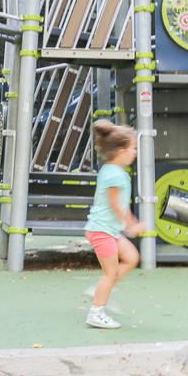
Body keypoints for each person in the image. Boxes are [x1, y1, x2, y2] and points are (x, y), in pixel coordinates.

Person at [82, 119, 142, 329]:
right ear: (120, 150)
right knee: (110, 273)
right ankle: (96, 313)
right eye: (133, 148)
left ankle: (100, 289)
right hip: (101, 232)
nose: (135, 152)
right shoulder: (114, 175)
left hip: (109, 230)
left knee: (132, 257)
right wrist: (132, 225)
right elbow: (117, 206)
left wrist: (130, 224)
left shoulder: (113, 171)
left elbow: (119, 207)